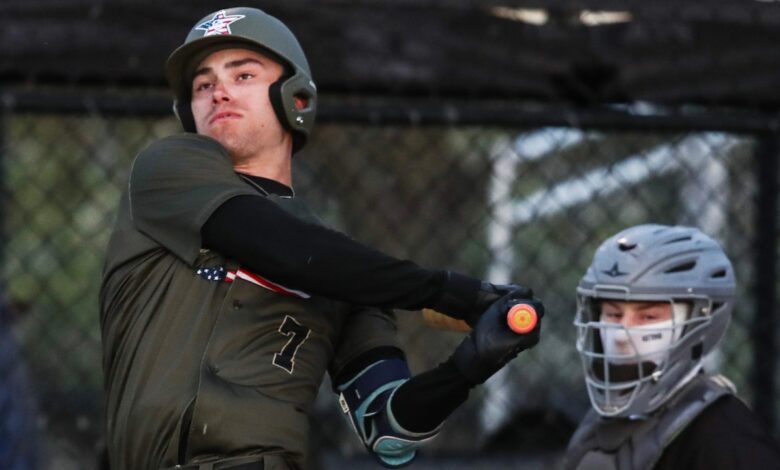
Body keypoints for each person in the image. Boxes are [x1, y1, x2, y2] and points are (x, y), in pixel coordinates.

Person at [99, 7, 544, 470]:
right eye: (202, 85)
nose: (219, 92)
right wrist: (447, 291)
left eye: (243, 75)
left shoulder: (349, 275)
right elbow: (291, 251)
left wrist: (470, 365)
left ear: (296, 98)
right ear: (187, 112)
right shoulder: (165, 169)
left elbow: (390, 430)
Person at [564, 224, 780, 470]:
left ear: (700, 321)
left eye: (648, 317)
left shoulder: (725, 440)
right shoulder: (596, 426)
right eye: (613, 314)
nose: (621, 335)